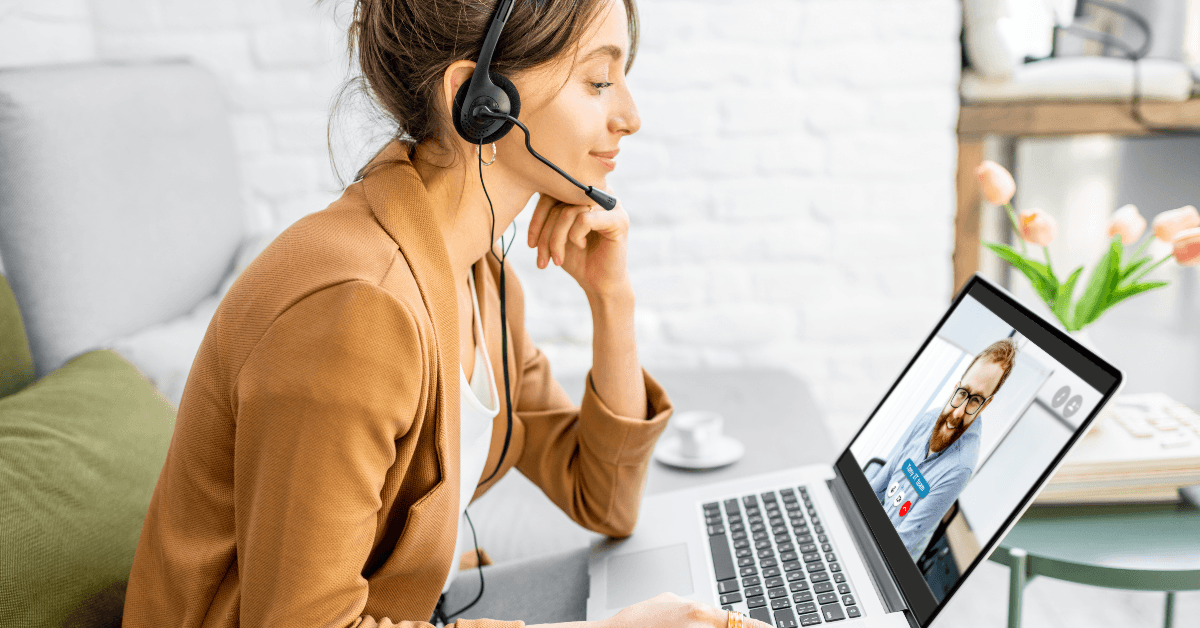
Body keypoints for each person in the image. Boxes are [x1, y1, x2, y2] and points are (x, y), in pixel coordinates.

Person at [122, 1, 770, 628]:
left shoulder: (481, 276)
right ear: (479, 101)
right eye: (598, 81)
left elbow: (603, 498)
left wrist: (611, 298)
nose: (630, 115)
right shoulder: (357, 310)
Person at [865, 338, 1018, 558]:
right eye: (963, 393)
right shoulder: (929, 419)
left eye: (975, 400)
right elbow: (884, 479)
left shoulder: (961, 466)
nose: (958, 413)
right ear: (956, 387)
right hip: (874, 527)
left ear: (986, 404)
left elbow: (902, 542)